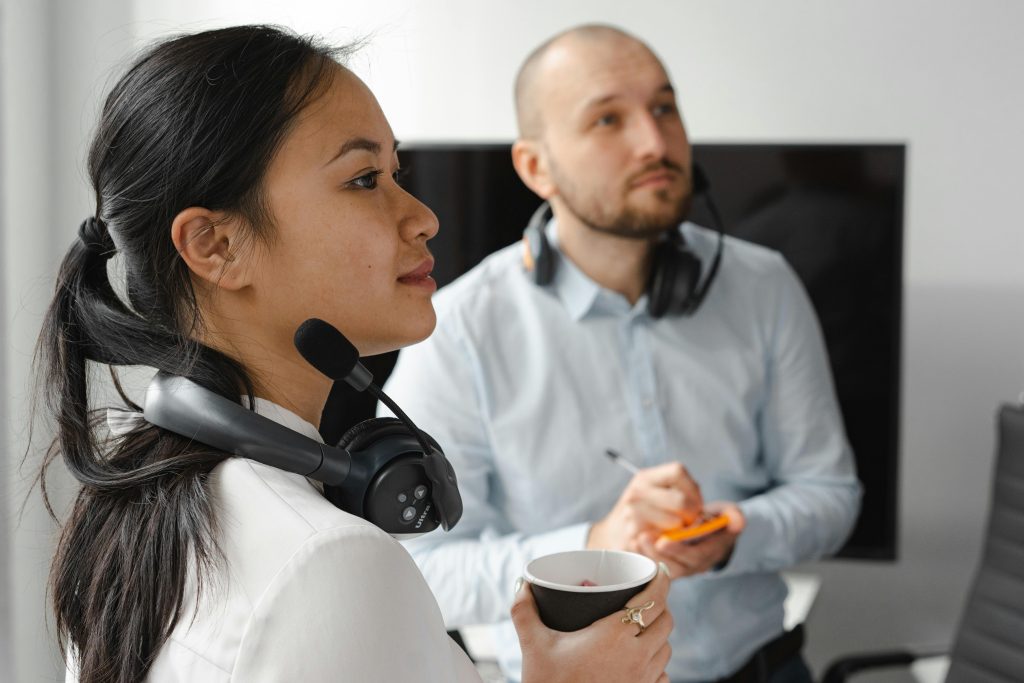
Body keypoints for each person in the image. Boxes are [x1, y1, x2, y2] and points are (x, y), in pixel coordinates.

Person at [34, 25, 674, 683]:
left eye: (397, 172)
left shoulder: (133, 507)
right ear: (216, 245)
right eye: (365, 178)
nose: (424, 216)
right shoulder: (329, 561)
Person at [382, 24, 862, 682]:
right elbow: (424, 568)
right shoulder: (459, 327)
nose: (655, 142)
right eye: (608, 119)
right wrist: (595, 546)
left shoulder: (765, 285)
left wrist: (734, 532)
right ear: (535, 167)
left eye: (664, 108)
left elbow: (831, 494)